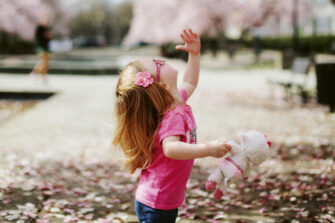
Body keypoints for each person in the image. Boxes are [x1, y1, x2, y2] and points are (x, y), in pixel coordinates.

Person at [113, 29, 231, 223]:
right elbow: (171, 148)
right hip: (157, 204)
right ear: (163, 86)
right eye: (159, 64)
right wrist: (208, 149)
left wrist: (194, 55)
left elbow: (190, 81)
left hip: (160, 199)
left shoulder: (176, 101)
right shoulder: (172, 115)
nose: (162, 60)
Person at [29, 16, 53, 82]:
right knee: (43, 60)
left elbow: (49, 39)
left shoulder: (47, 28)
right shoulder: (40, 28)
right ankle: (34, 73)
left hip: (46, 47)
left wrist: (49, 37)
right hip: (41, 47)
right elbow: (38, 38)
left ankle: (43, 75)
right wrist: (45, 37)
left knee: (46, 62)